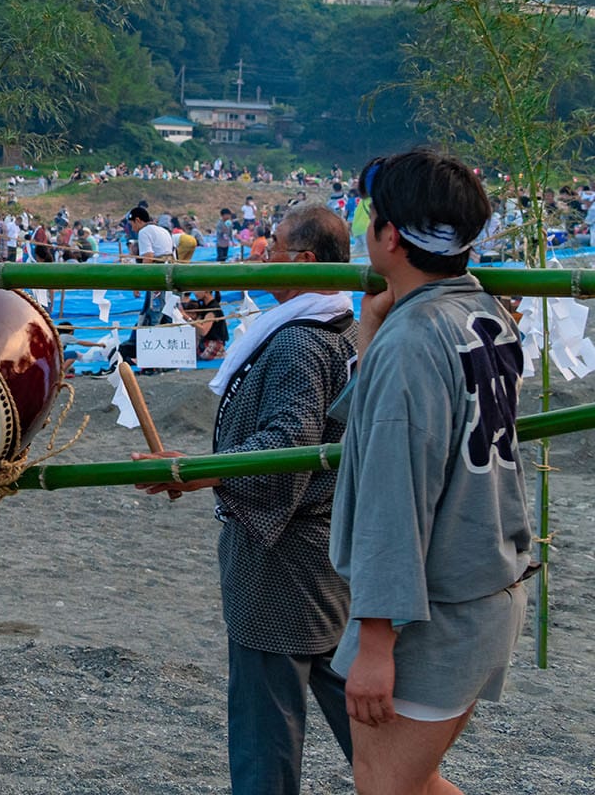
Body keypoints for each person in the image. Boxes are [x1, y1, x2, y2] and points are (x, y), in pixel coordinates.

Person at [134, 205, 358, 794]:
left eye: (274, 245)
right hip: (324, 545)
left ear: (305, 261)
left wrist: (192, 471)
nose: (262, 252)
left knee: (266, 721)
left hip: (284, 550)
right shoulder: (341, 326)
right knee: (347, 695)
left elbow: (287, 446)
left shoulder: (303, 345)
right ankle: (406, 781)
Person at [330, 150, 532, 795]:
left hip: (434, 611)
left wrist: (375, 644)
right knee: (412, 785)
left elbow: (394, 498)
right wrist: (372, 328)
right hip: (487, 588)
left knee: (384, 787)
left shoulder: (416, 340)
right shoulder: (485, 314)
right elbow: (387, 426)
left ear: (389, 235)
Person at [120, 207, 175, 368]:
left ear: (138, 220)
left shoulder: (144, 232)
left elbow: (148, 257)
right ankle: (167, 358)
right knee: (165, 316)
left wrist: (139, 283)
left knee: (153, 317)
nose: (132, 228)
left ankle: (150, 360)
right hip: (168, 276)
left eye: (132, 224)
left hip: (156, 279)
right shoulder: (163, 230)